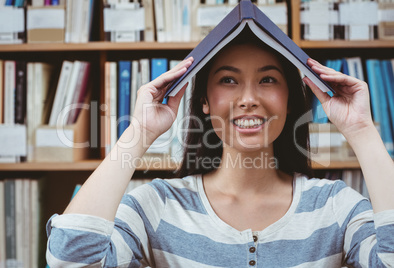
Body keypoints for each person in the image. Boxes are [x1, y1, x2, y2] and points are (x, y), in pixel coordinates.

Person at [46, 30, 394, 267]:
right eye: (228, 80)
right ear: (204, 102)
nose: (248, 99)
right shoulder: (159, 206)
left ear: (290, 100)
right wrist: (139, 132)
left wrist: (361, 130)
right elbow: (70, 258)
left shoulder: (334, 206)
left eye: (268, 80)